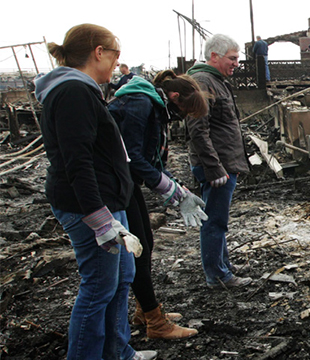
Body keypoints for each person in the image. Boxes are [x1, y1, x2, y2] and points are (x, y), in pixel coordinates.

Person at [33, 24, 156, 360]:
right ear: (98, 52)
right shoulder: (73, 91)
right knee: (100, 285)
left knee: (122, 276)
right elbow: (77, 161)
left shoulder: (83, 89)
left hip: (106, 200)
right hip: (90, 205)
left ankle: (118, 351)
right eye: (115, 55)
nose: (118, 64)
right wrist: (100, 219)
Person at [107, 70, 209, 339]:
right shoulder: (140, 104)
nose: (180, 118)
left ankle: (145, 309)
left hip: (125, 183)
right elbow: (133, 157)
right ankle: (154, 321)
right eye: (183, 111)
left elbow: (153, 163)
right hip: (113, 184)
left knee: (146, 243)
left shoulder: (150, 103)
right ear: (174, 97)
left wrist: (179, 189)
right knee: (137, 247)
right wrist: (172, 190)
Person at [186, 34, 252, 289]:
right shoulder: (204, 82)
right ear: (214, 56)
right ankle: (218, 275)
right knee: (214, 219)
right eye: (232, 58)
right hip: (217, 166)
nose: (236, 63)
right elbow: (198, 130)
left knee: (218, 216)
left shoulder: (215, 81)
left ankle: (222, 265)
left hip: (223, 163)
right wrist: (214, 168)